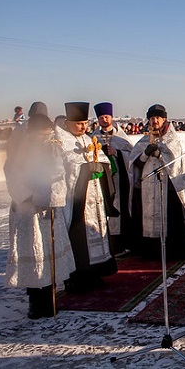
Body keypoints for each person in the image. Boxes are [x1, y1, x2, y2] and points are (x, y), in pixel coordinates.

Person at [5, 111, 75, 319]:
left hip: (49, 212)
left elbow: (61, 177)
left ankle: (50, 298)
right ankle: (36, 303)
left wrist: (53, 196)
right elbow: (12, 176)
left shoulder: (53, 151)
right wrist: (29, 197)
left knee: (49, 258)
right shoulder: (20, 154)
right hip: (29, 214)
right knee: (35, 258)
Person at [55, 102, 118, 293]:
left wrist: (103, 168)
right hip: (75, 201)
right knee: (79, 236)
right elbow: (61, 170)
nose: (83, 127)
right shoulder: (60, 142)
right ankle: (79, 276)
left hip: (95, 197)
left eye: (85, 123)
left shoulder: (88, 139)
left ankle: (96, 271)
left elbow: (104, 160)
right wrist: (85, 170)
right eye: (79, 123)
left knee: (97, 232)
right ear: (68, 122)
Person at [128, 104, 185, 260]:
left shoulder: (172, 140)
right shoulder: (144, 140)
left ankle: (173, 251)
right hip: (148, 186)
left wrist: (161, 154)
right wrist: (145, 154)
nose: (154, 121)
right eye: (152, 118)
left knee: (171, 218)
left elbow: (177, 163)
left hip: (168, 187)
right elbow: (135, 164)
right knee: (149, 219)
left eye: (157, 118)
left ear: (164, 119)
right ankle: (151, 252)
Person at [91, 102, 134, 256]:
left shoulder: (121, 138)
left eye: (107, 116)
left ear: (111, 117)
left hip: (119, 180)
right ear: (98, 119)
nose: (105, 119)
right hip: (102, 181)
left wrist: (117, 153)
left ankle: (124, 243)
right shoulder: (93, 139)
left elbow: (132, 157)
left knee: (122, 209)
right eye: (101, 117)